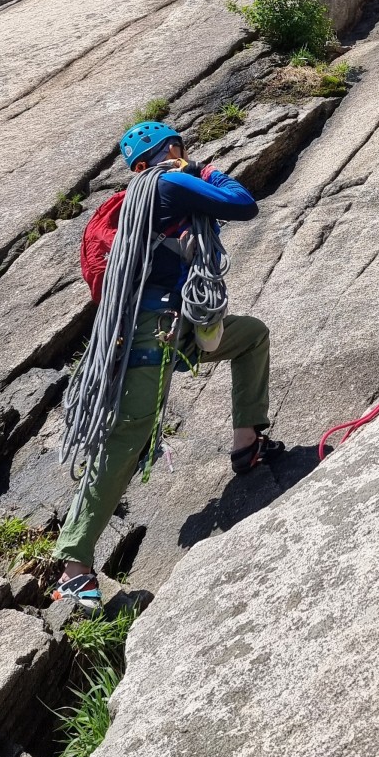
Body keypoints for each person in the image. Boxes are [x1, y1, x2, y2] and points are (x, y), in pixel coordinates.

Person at [52, 119, 283, 612]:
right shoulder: (168, 181)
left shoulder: (140, 198)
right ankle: (73, 566)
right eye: (178, 146)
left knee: (251, 336)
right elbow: (243, 204)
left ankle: (247, 446)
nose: (183, 152)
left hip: (166, 326)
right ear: (163, 152)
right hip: (155, 329)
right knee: (127, 436)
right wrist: (206, 169)